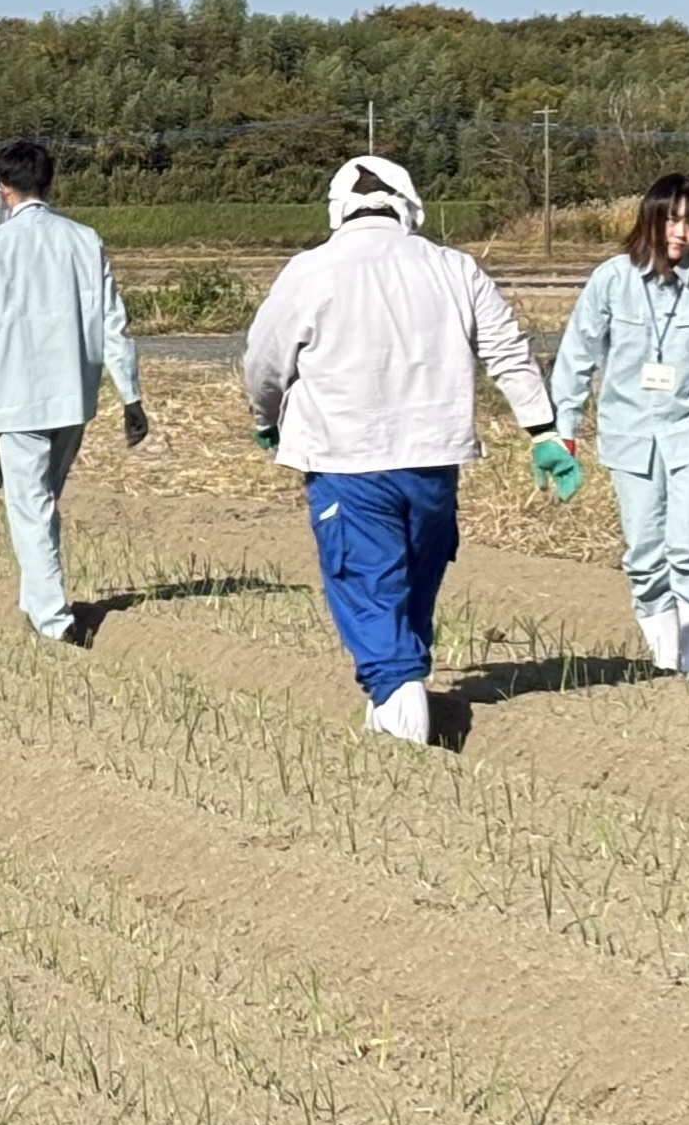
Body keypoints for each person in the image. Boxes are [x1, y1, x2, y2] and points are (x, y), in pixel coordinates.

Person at [242, 156, 583, 745]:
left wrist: (265, 417)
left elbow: (264, 362)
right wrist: (542, 430)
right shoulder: (454, 267)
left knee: (369, 585)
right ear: (409, 205)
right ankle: (397, 693)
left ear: (338, 210)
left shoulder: (310, 270)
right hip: (433, 461)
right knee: (413, 582)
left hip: (346, 460)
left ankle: (400, 717)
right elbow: (508, 351)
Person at [549, 174, 689, 680]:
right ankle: (664, 654)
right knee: (644, 549)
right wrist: (565, 428)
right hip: (630, 432)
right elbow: (577, 355)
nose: (681, 233)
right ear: (650, 218)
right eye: (671, 220)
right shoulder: (611, 279)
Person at [0, 139, 150, 644]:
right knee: (44, 501)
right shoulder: (84, 239)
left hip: (18, 395)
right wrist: (130, 394)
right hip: (73, 393)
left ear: (3, 188)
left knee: (31, 506)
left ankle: (54, 620)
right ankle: (38, 599)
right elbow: (112, 320)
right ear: (49, 182)